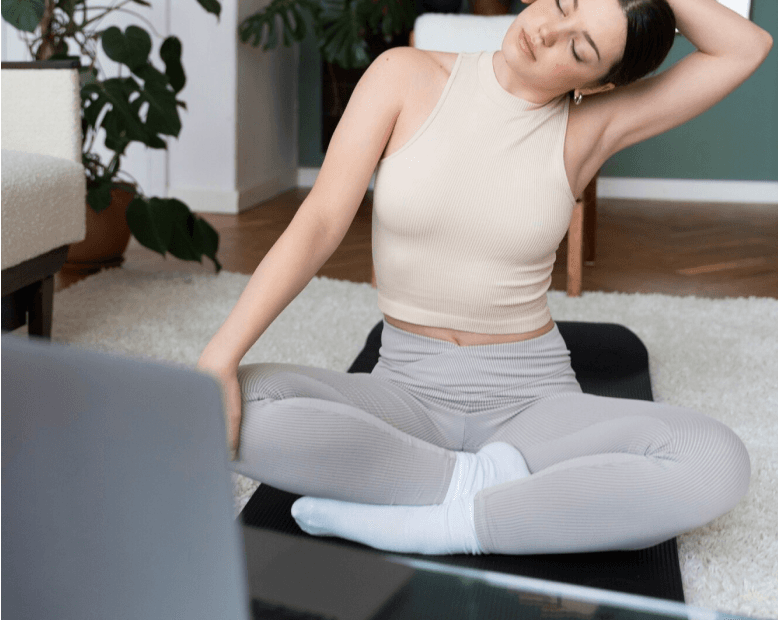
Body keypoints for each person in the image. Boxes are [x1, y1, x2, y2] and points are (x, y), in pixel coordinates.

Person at [197, 0, 771, 555]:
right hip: (403, 392)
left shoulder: (589, 127)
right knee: (222, 405)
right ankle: (474, 487)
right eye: (563, 5)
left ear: (595, 83)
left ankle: (455, 518)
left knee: (714, 461)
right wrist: (220, 358)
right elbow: (320, 221)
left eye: (580, 45)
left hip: (530, 404)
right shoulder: (404, 74)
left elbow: (744, 47)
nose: (548, 32)